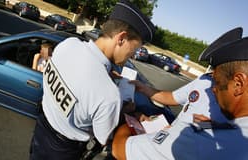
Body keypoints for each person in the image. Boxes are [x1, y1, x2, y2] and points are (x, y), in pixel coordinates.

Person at [29, 0, 155, 159]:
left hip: (41, 129)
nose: (133, 56)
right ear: (121, 38)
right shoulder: (109, 96)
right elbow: (104, 137)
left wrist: (106, 76)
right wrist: (127, 113)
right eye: (135, 49)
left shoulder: (68, 44)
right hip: (63, 151)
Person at [112, 34, 248, 160]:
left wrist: (130, 123)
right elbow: (173, 97)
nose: (213, 88)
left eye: (217, 82)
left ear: (238, 83)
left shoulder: (201, 141)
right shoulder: (235, 129)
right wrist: (211, 126)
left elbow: (119, 150)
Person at [130, 27, 243, 125]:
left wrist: (213, 128)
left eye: (218, 70)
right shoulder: (204, 80)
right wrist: (143, 88)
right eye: (213, 68)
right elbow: (172, 98)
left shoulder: (237, 103)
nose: (213, 75)